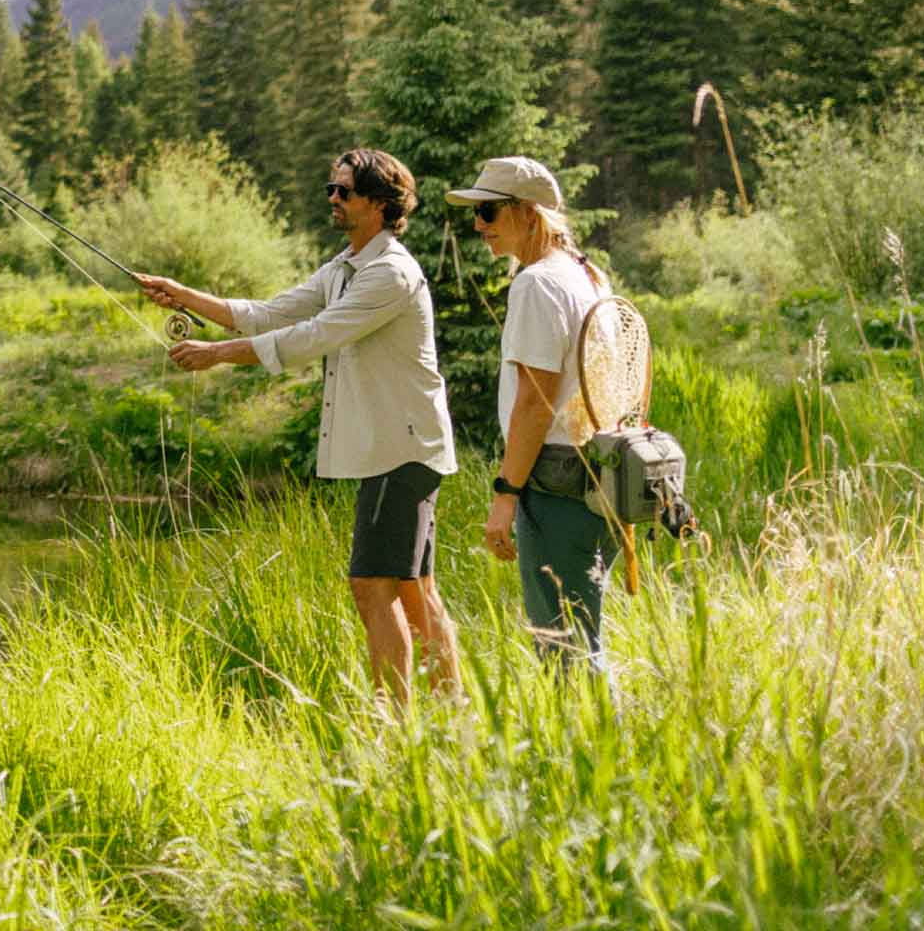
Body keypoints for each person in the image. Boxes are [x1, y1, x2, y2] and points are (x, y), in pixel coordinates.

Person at [133, 148, 459, 702]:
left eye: (344, 191)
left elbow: (312, 338)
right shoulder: (345, 266)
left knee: (372, 589)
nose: (332, 199)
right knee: (413, 588)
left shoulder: (389, 273)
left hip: (400, 452)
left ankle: (394, 724)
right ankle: (452, 711)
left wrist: (217, 354)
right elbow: (270, 313)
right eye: (330, 189)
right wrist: (183, 294)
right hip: (400, 449)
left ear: (380, 204)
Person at [448, 155, 619, 666]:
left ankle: (583, 745)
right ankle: (598, 742)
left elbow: (534, 403)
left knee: (563, 646)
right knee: (582, 638)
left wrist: (505, 496)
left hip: (557, 480)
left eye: (489, 213)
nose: (479, 227)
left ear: (528, 214)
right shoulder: (585, 275)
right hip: (597, 474)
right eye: (474, 214)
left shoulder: (537, 283)